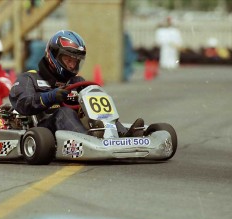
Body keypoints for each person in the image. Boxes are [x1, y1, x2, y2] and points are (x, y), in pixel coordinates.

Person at [9, 30, 144, 139]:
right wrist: (50, 97)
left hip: (73, 129)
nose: (72, 64)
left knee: (97, 107)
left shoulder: (77, 81)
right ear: (54, 56)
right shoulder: (29, 78)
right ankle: (88, 139)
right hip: (44, 130)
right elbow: (22, 104)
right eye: (68, 59)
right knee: (64, 111)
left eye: (75, 61)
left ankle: (122, 135)